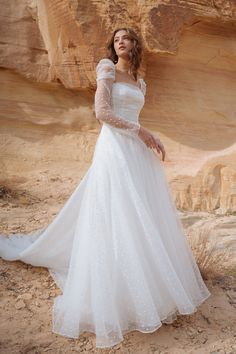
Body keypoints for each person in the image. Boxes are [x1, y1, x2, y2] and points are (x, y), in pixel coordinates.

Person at [0, 27, 211, 349]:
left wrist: (146, 135)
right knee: (117, 209)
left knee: (141, 212)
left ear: (135, 44)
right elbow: (102, 113)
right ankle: (111, 284)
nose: (120, 42)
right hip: (115, 147)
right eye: (116, 39)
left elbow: (132, 114)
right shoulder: (106, 67)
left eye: (126, 38)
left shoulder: (141, 81)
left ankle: (146, 283)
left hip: (136, 152)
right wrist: (142, 131)